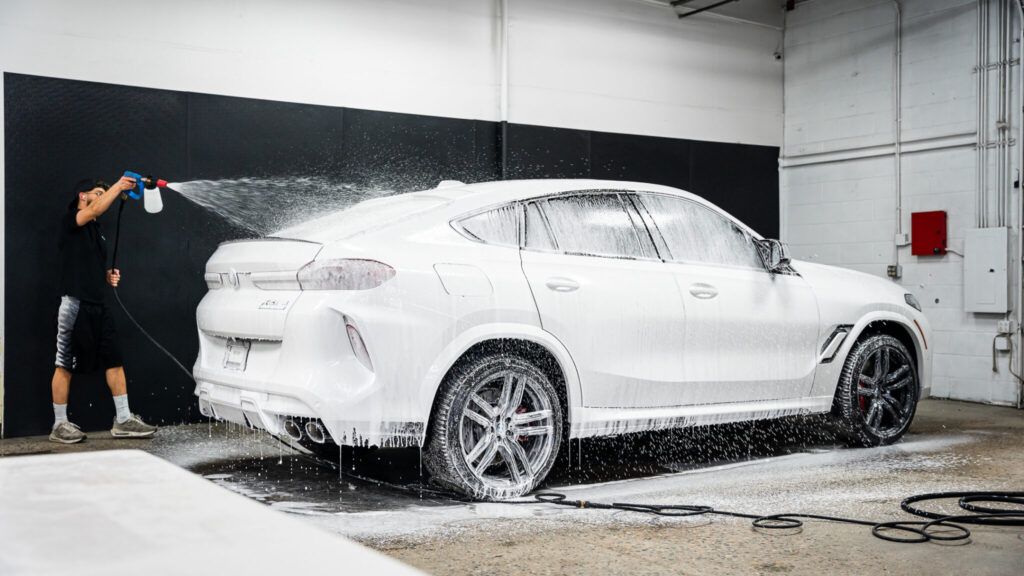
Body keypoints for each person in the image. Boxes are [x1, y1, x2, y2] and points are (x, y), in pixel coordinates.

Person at [49, 176, 158, 443]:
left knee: (115, 360)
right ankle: (59, 425)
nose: (102, 197)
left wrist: (107, 274)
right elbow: (95, 210)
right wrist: (119, 186)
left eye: (104, 193)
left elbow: (86, 264)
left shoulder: (96, 231)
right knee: (64, 364)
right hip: (74, 305)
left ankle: (123, 419)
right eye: (98, 192)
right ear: (83, 196)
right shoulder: (71, 220)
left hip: (98, 305)